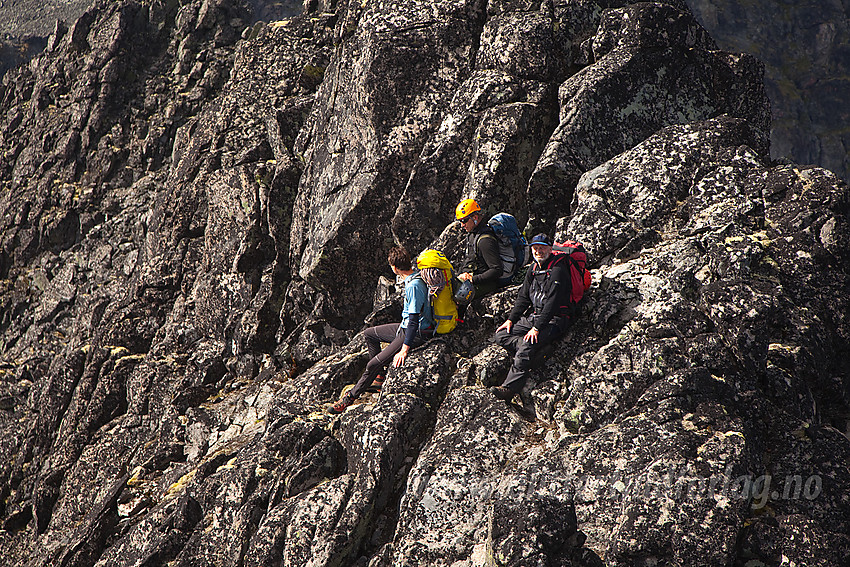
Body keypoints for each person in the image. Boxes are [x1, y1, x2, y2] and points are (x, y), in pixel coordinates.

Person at [328, 246, 436, 414]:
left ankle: (350, 397)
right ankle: (379, 378)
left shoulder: (414, 286)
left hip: (414, 333)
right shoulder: (414, 277)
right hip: (404, 327)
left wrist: (404, 350)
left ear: (394, 267)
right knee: (369, 334)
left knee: (372, 364)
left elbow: (414, 320)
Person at [490, 233, 572, 401]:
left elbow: (553, 303)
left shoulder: (558, 270)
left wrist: (536, 328)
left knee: (527, 344)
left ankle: (509, 389)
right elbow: (523, 297)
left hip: (555, 319)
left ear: (550, 249)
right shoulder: (533, 269)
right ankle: (534, 351)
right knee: (501, 335)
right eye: (535, 248)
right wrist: (511, 320)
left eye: (542, 247)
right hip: (535, 316)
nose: (538, 251)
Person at [455, 198, 505, 301]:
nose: (462, 225)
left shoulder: (485, 240)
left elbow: (496, 270)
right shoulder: (472, 234)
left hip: (485, 283)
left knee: (457, 296)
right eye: (460, 221)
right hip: (471, 278)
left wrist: (472, 279)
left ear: (475, 217)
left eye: (464, 220)